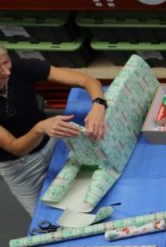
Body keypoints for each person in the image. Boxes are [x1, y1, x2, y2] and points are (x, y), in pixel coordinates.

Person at [0, 45, 108, 215]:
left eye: (6, 62)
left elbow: (87, 81)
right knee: (46, 216)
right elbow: (16, 147)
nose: (6, 72)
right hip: (21, 168)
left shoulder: (20, 67)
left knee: (85, 194)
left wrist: (99, 105)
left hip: (53, 143)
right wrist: (40, 127)